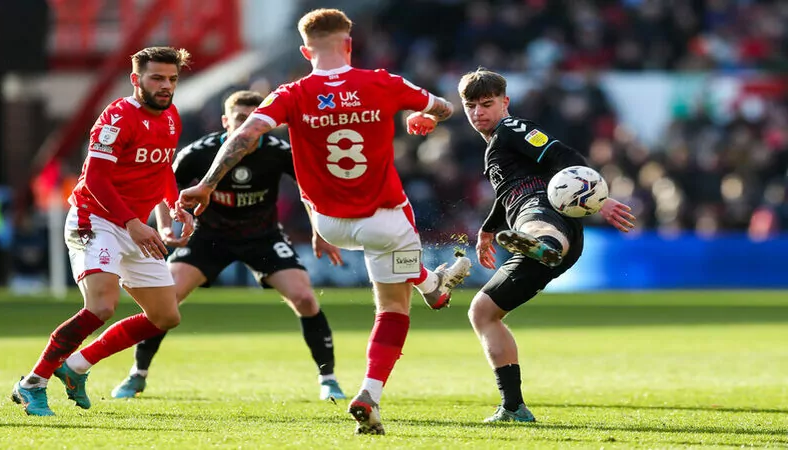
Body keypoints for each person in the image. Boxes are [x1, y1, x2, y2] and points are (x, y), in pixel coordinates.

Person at [179, 8, 472, 435]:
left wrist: (207, 184)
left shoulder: (291, 93)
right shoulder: (382, 82)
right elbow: (445, 107)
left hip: (330, 222)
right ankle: (371, 391)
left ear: (305, 50)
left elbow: (245, 136)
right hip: (384, 219)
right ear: (349, 44)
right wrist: (422, 116)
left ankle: (432, 285)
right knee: (391, 306)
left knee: (393, 263)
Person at [110, 90, 348, 402]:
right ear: (225, 122)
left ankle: (328, 379)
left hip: (262, 237)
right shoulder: (199, 152)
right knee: (166, 299)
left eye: (255, 120)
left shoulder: (279, 151)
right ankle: (137, 374)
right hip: (209, 237)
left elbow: (309, 190)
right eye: (240, 120)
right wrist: (165, 225)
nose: (248, 128)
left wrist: (320, 230)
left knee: (304, 297)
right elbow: (162, 185)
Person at [11, 47, 194, 416]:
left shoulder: (171, 115)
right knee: (101, 306)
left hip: (136, 225)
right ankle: (33, 383)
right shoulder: (116, 117)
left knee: (166, 317)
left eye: (172, 79)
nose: (165, 86)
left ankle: (76, 366)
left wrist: (173, 207)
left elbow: (161, 168)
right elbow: (95, 179)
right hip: (95, 220)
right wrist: (132, 223)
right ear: (136, 79)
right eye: (157, 78)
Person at [455, 68, 636, 423]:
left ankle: (543, 244)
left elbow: (563, 155)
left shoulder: (511, 128)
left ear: (505, 102)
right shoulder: (497, 145)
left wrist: (598, 198)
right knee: (484, 313)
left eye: (487, 104)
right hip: (554, 231)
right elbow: (508, 191)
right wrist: (489, 229)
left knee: (535, 220)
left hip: (546, 211)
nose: (478, 112)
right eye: (471, 106)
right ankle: (512, 407)